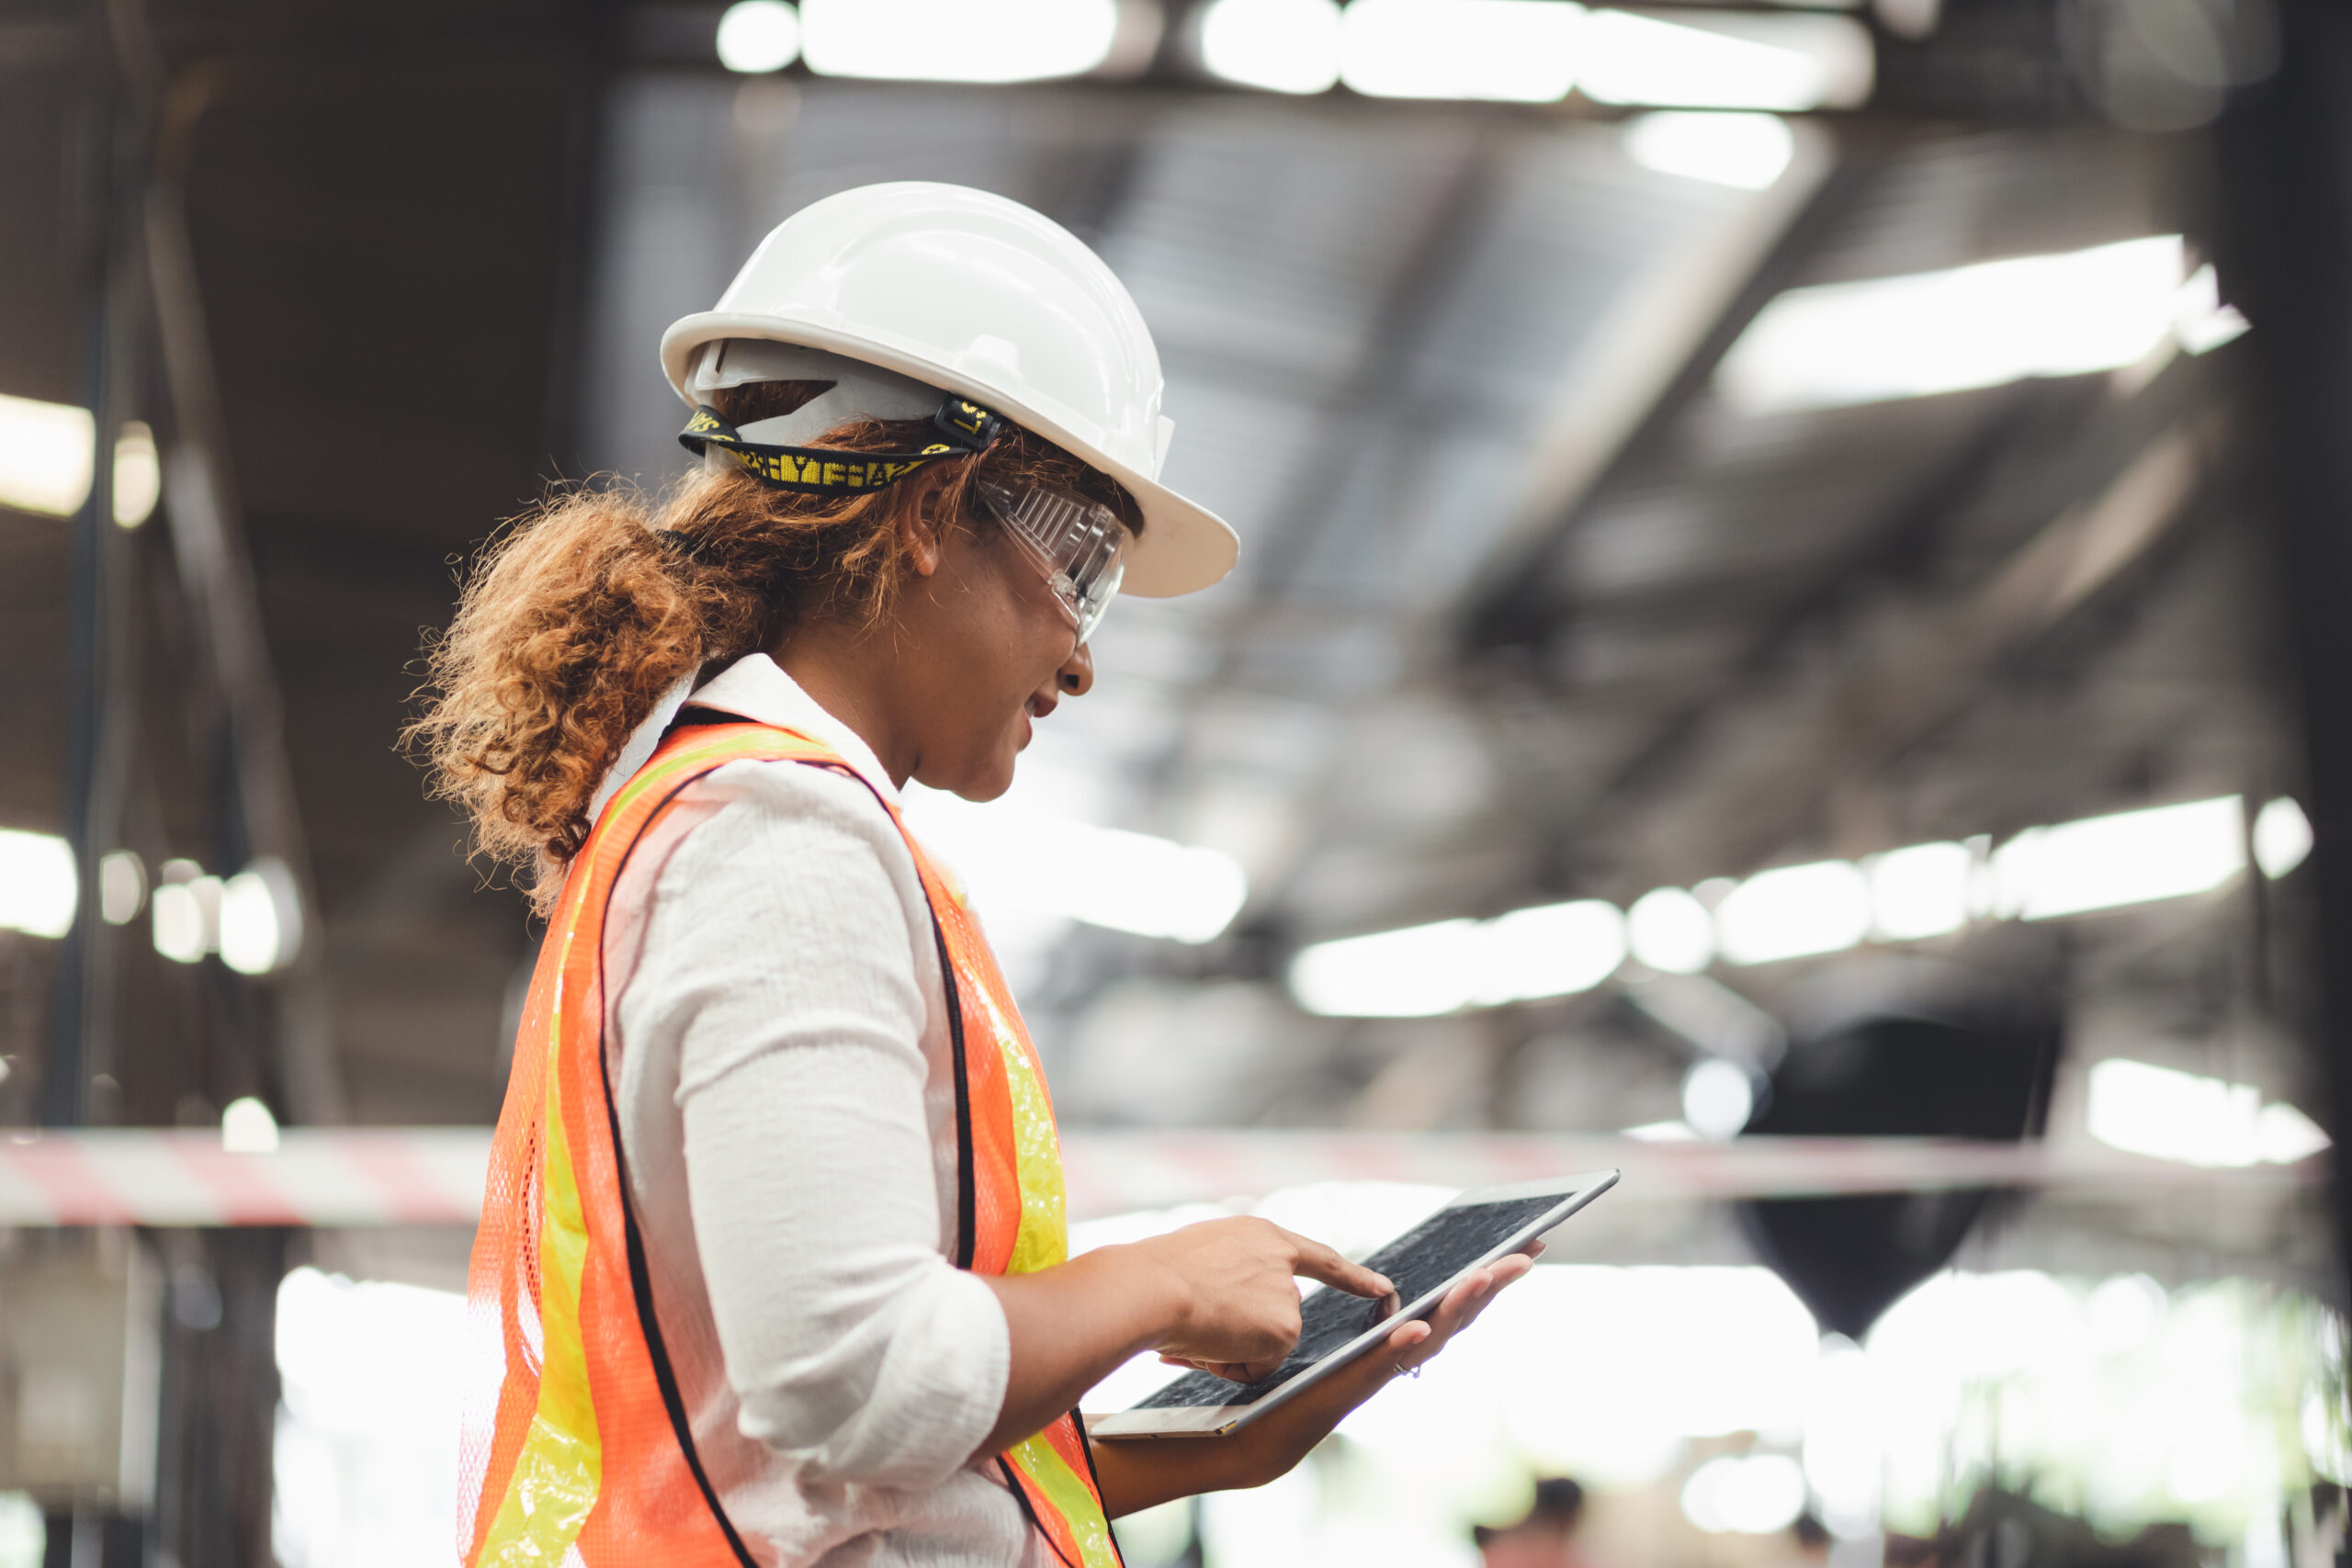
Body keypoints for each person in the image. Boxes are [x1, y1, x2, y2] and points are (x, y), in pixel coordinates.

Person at [414, 182, 1534, 1568]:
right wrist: (1159, 1280)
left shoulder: (717, 812)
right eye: (1082, 564)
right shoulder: (779, 834)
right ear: (936, 507)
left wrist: (1210, 1452)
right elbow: (854, 1384)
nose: (1079, 655)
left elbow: (778, 1454)